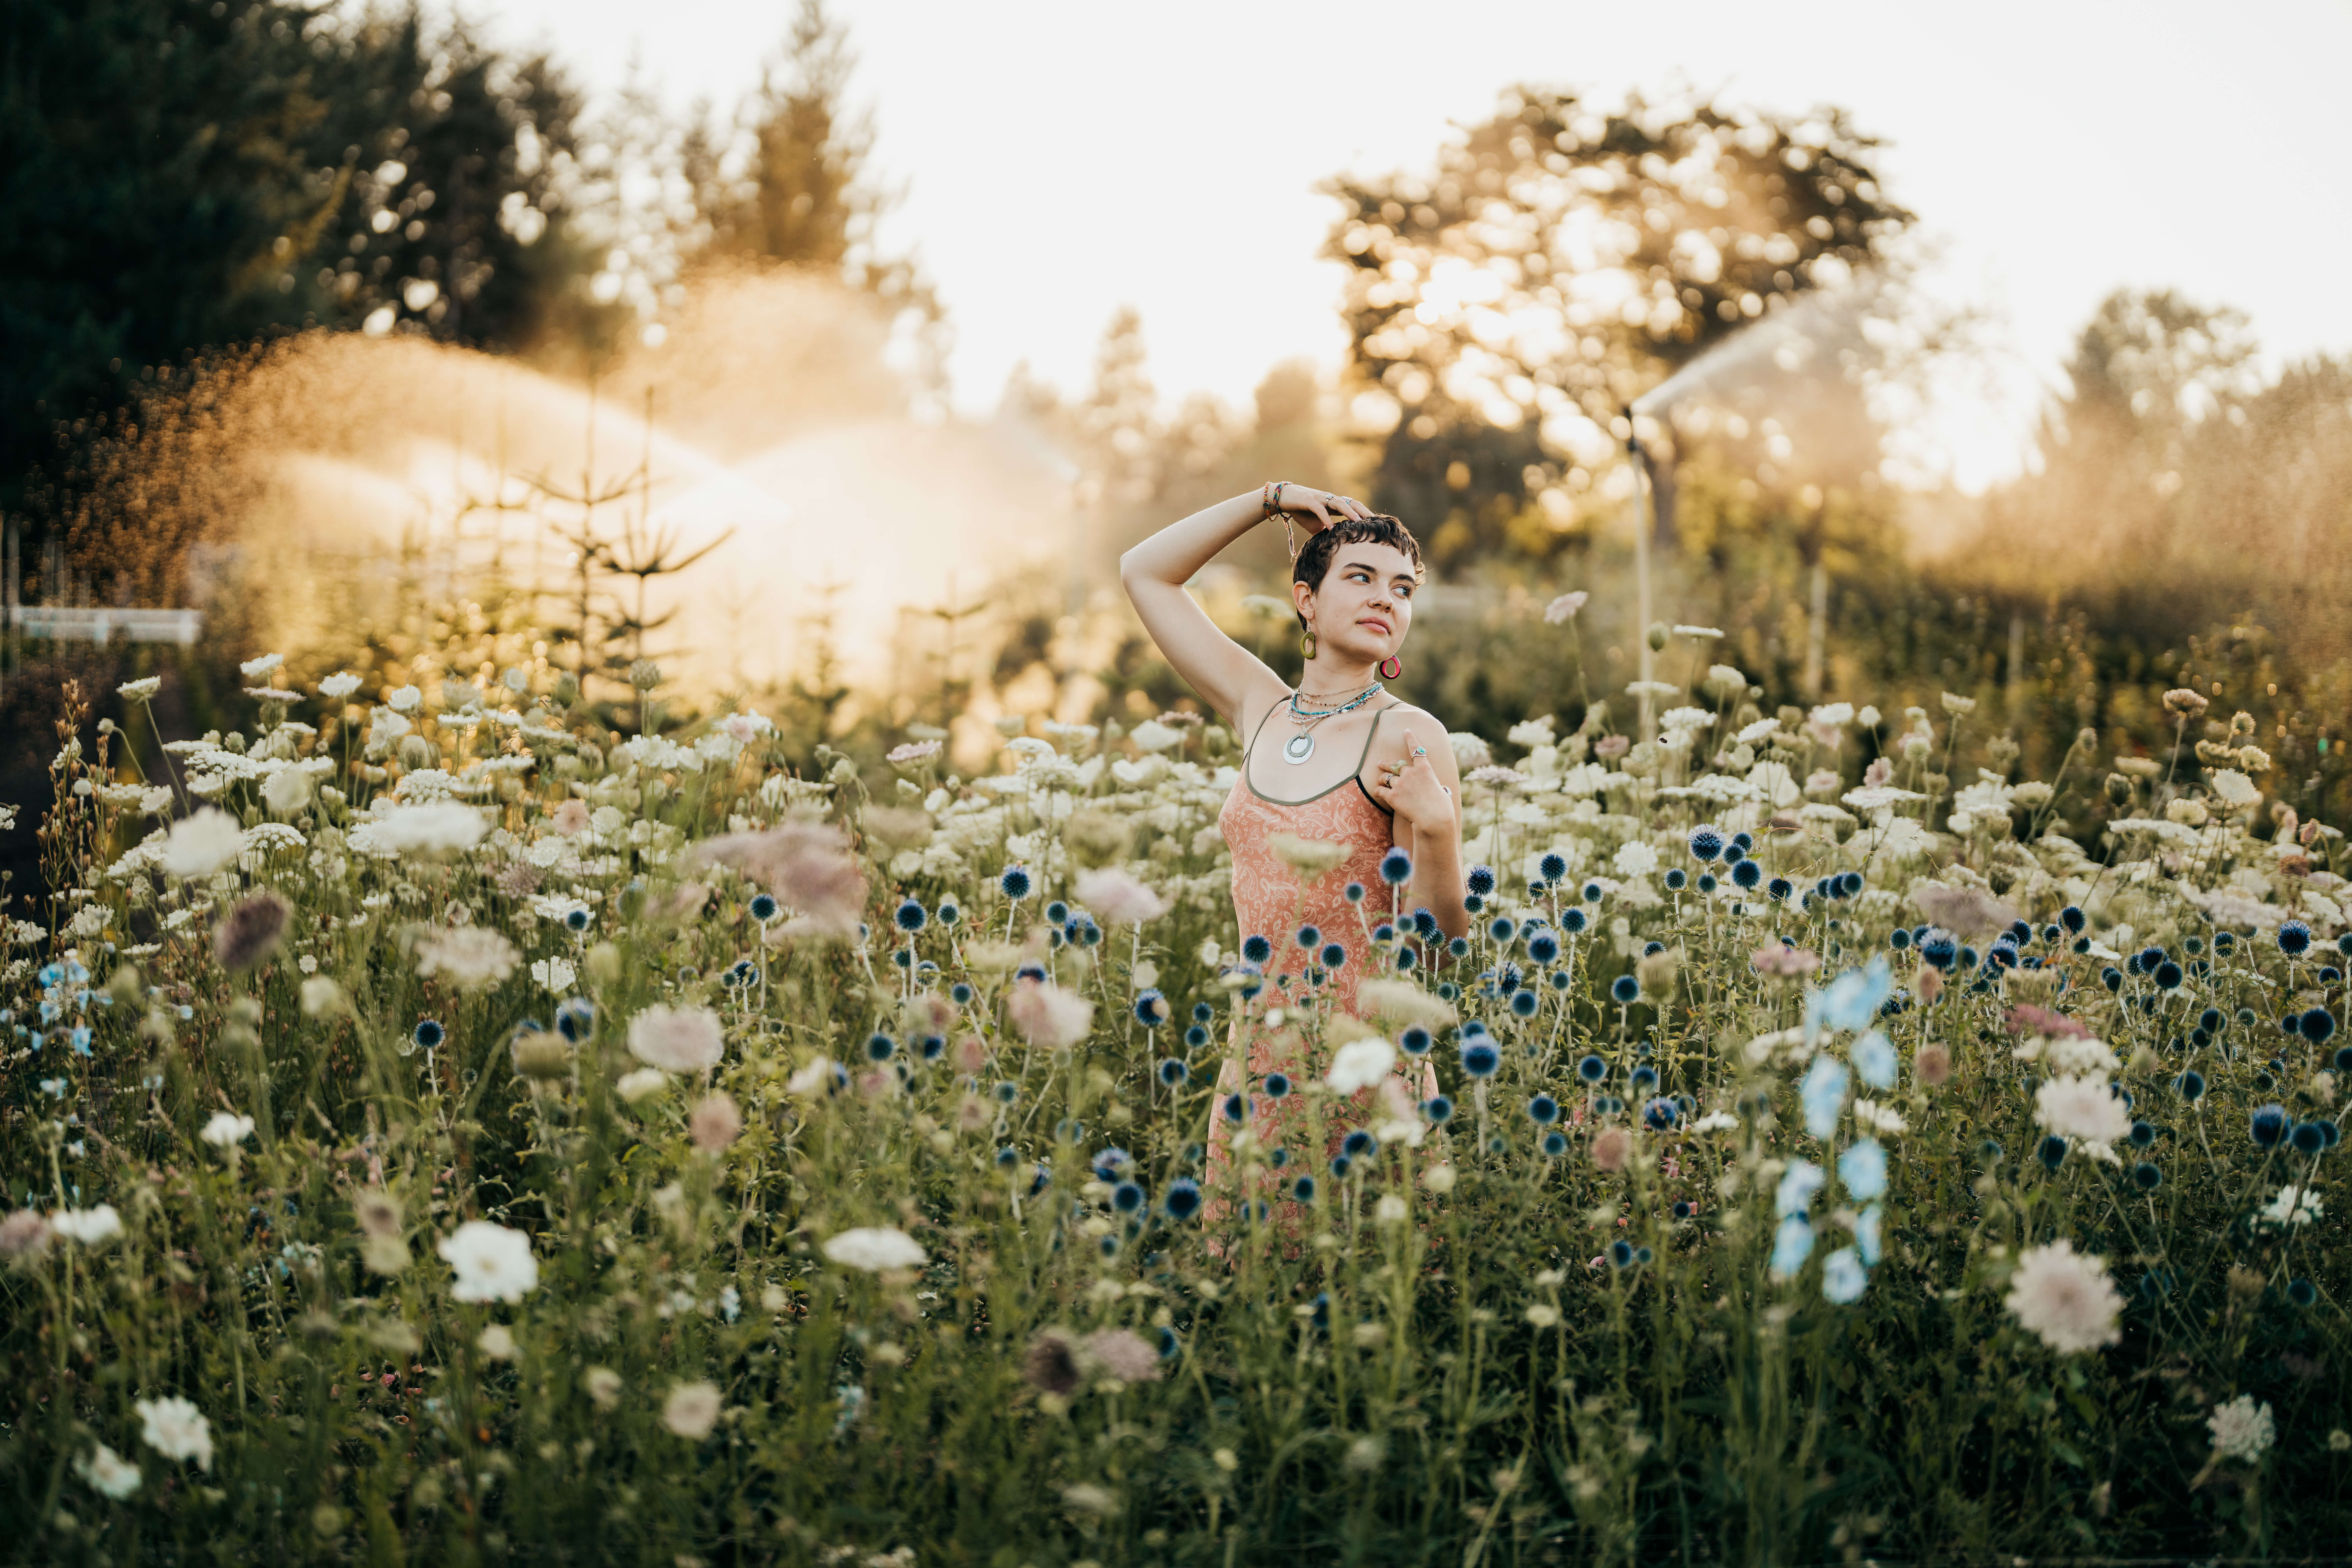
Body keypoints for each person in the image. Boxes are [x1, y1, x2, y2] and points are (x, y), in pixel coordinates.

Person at [1121, 482, 1469, 1209]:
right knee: (1251, 1299)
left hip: (1369, 1069)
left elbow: (1435, 952)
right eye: (1361, 578)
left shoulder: (1408, 735)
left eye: (1402, 588)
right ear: (1306, 600)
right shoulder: (1261, 707)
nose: (1387, 599)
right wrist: (1270, 498)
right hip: (1257, 1067)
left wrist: (1438, 831)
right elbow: (1145, 572)